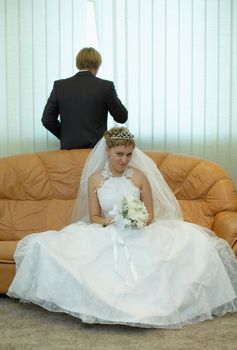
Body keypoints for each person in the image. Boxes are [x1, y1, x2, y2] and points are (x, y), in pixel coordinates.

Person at [7, 127, 237, 328]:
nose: (124, 160)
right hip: (108, 231)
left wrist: (136, 220)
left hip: (140, 231)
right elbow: (95, 217)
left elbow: (150, 214)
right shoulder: (95, 180)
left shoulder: (139, 177)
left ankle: (150, 307)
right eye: (119, 154)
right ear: (107, 151)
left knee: (193, 243)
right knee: (48, 248)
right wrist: (112, 222)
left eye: (128, 155)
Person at [41, 47, 128, 149]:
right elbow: (122, 117)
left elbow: (47, 120)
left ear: (78, 63)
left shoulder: (60, 86)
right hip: (96, 151)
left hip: (69, 150)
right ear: (98, 65)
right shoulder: (106, 87)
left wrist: (65, 136)